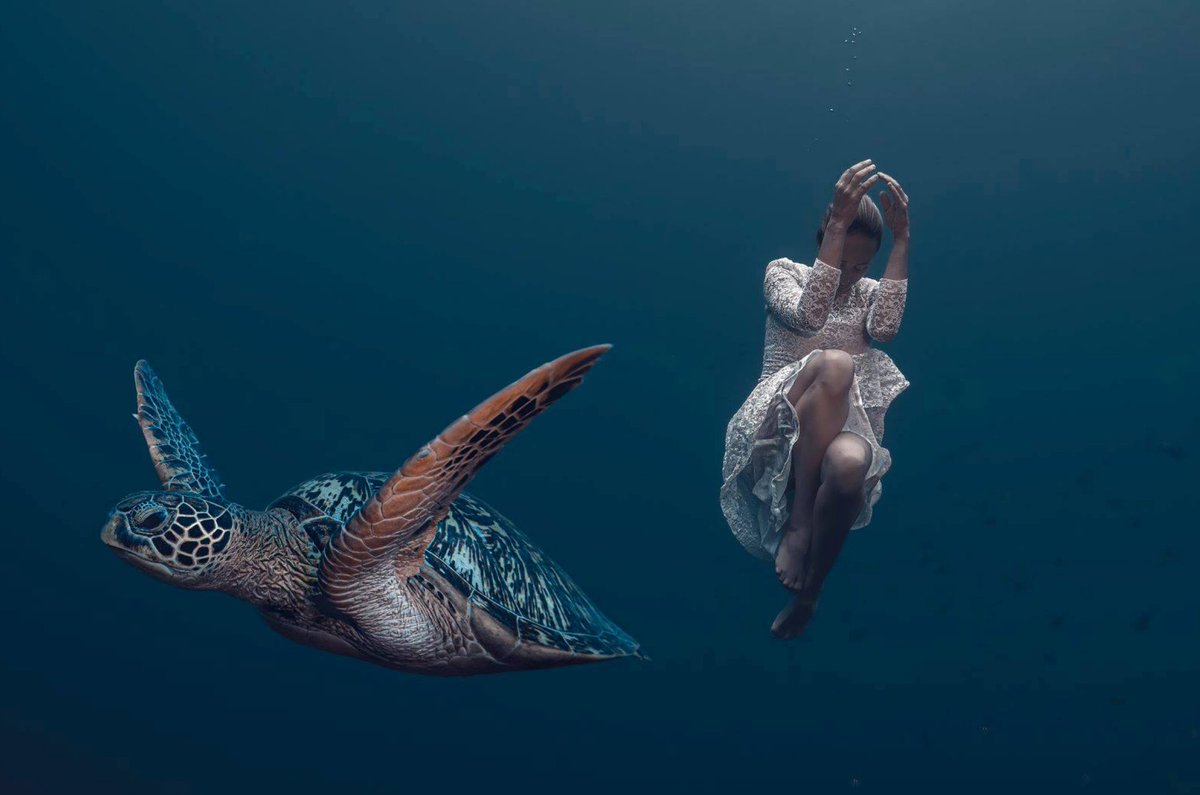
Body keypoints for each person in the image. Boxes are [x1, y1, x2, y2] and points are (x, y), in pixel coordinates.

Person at [720, 159, 911, 639]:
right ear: (827, 238)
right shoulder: (783, 272)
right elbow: (809, 318)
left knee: (851, 465)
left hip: (838, 430)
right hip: (776, 426)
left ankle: (810, 594)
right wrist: (841, 224)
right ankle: (800, 519)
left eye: (862, 266)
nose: (852, 275)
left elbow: (885, 329)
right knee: (837, 363)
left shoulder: (869, 294)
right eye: (845, 262)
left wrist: (903, 240)